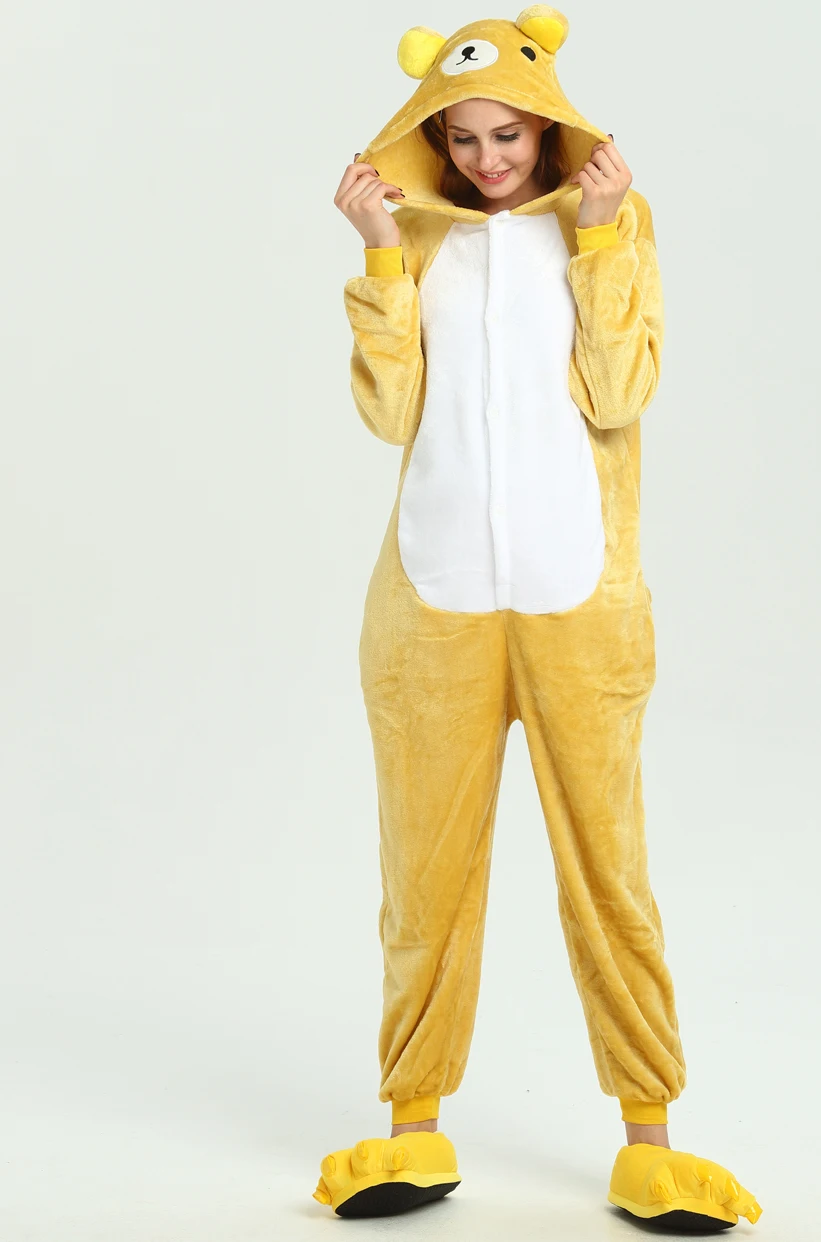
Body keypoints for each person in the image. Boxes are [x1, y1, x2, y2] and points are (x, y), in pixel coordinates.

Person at [312, 6, 762, 1230]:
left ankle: (648, 1140)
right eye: (460, 139)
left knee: (610, 876)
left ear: (548, 124)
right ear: (433, 138)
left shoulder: (610, 221)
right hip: (430, 609)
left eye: (506, 135)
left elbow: (621, 391)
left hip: (581, 608)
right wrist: (379, 255)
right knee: (423, 883)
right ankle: (412, 1129)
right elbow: (386, 412)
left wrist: (602, 236)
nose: (487, 159)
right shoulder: (417, 232)